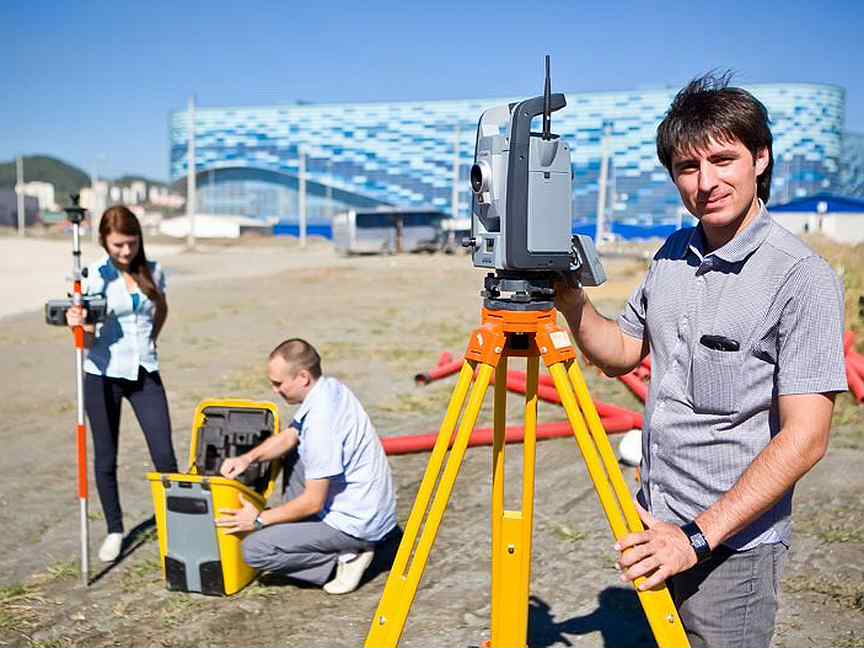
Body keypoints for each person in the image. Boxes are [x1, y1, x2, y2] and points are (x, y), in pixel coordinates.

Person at [554, 73, 847, 647]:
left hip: (728, 550)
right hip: (653, 523)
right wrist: (571, 300)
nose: (706, 182)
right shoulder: (672, 255)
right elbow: (619, 353)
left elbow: (806, 438)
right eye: (688, 168)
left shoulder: (800, 278)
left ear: (760, 158)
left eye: (723, 159)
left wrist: (692, 539)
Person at [215, 338, 397, 595]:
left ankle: (347, 556)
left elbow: (313, 502)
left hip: (357, 523)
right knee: (292, 451)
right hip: (369, 504)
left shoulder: (321, 428)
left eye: (278, 384)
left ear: (302, 377)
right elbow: (290, 435)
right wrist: (248, 459)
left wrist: (257, 520)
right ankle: (308, 535)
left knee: (255, 550)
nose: (275, 390)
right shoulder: (329, 388)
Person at [66, 205, 179, 563]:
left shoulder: (155, 271)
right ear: (103, 242)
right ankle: (115, 529)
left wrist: (150, 341)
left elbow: (161, 309)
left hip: (145, 372)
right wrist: (77, 323)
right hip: (102, 374)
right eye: (118, 245)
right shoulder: (92, 278)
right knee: (106, 456)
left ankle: (176, 522)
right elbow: (84, 336)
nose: (126, 252)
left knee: (163, 452)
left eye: (131, 243)